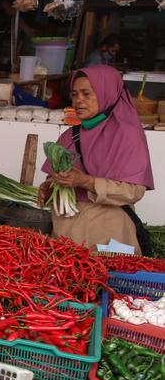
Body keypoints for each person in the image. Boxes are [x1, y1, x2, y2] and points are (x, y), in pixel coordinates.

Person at [38, 65, 154, 253]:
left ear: (107, 93)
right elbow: (54, 179)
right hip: (65, 237)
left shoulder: (127, 135)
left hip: (107, 237)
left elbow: (134, 191)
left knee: (104, 280)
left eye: (86, 94)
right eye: (74, 94)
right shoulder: (70, 136)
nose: (78, 101)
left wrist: (86, 181)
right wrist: (50, 187)